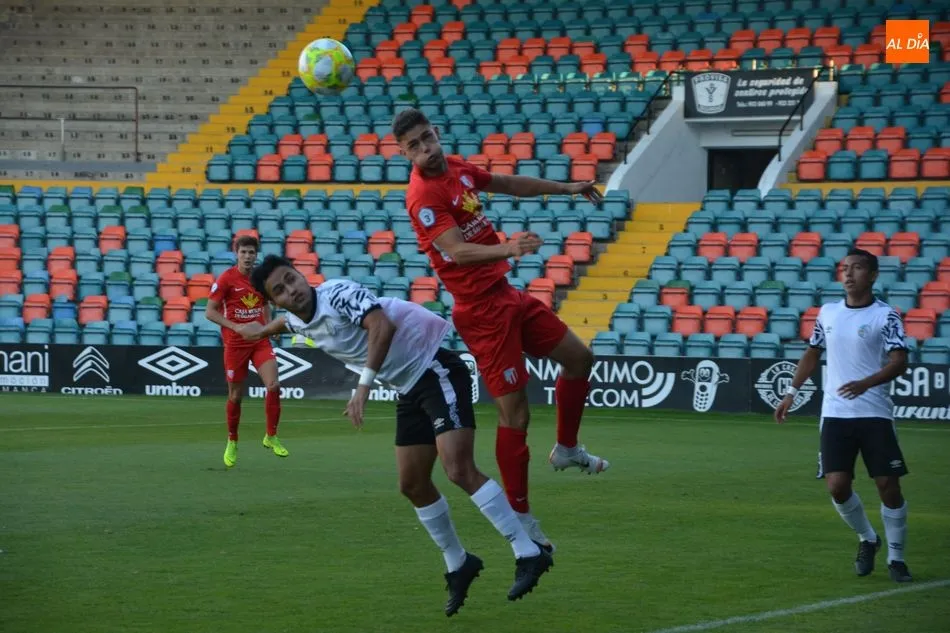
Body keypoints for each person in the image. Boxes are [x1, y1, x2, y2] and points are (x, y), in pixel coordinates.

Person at [243, 255, 554, 615]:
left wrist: (362, 388)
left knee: (458, 469)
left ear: (301, 274)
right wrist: (259, 331)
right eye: (279, 290)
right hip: (409, 386)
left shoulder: (339, 293)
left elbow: (382, 326)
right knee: (412, 483)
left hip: (435, 366)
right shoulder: (296, 317)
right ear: (274, 301)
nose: (291, 291)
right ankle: (459, 562)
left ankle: (528, 551)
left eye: (291, 279)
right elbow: (288, 323)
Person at [392, 107, 609, 550]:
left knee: (579, 358)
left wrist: (568, 188)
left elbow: (510, 183)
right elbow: (455, 252)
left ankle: (567, 448)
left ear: (437, 133)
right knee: (517, 415)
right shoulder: (422, 196)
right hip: (481, 312)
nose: (426, 149)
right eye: (414, 145)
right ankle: (522, 515)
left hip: (506, 295)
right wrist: (509, 247)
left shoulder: (456, 168)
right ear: (404, 153)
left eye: (428, 138)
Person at [774, 248, 912, 583]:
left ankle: (896, 557)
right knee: (837, 486)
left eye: (858, 268)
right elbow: (812, 353)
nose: (848, 274)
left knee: (887, 484)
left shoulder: (886, 316)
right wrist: (792, 392)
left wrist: (866, 383)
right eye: (844, 268)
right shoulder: (828, 312)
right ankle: (868, 538)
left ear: (873, 275)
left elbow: (899, 361)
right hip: (835, 412)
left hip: (874, 412)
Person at [205, 235, 287, 468]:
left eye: (252, 252)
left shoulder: (261, 278)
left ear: (256, 255)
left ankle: (270, 435)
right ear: (236, 254)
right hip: (235, 343)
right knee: (236, 396)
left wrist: (269, 328)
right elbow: (210, 312)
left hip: (259, 340)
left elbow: (264, 304)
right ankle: (232, 440)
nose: (248, 256)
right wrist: (236, 327)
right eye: (244, 252)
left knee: (273, 385)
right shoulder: (226, 279)